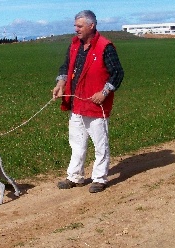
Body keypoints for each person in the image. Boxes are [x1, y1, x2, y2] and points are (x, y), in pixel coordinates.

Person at [52, 10, 124, 193]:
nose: (75, 29)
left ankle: (100, 178)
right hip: (77, 104)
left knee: (100, 144)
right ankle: (74, 176)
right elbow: (65, 67)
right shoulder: (74, 45)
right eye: (75, 25)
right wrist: (60, 84)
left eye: (79, 26)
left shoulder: (105, 46)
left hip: (96, 104)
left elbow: (117, 73)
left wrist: (104, 92)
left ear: (91, 26)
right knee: (76, 142)